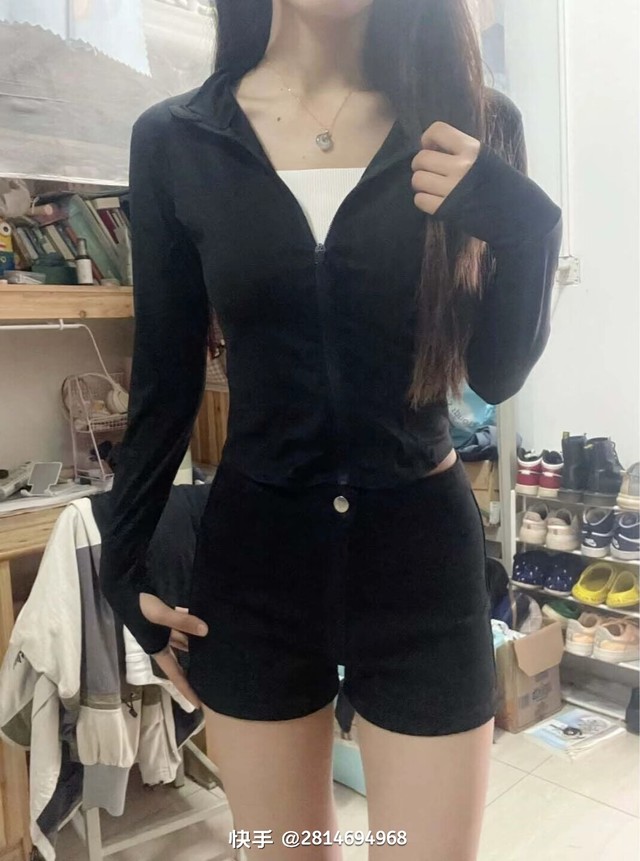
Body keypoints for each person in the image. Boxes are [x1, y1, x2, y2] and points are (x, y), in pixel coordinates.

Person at [99, 1, 562, 858]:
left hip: (421, 563)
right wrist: (121, 563)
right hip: (256, 566)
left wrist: (531, 229)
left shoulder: (473, 120)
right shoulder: (177, 138)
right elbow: (164, 377)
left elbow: (495, 376)